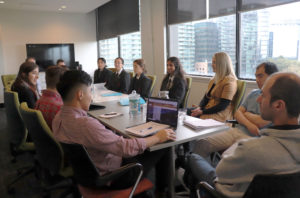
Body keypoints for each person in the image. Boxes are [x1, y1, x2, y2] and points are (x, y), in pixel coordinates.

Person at [53, 70, 176, 192]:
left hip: (85, 175)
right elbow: (125, 149)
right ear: (80, 94)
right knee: (164, 144)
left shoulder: (58, 118)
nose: (91, 96)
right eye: (90, 91)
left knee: (140, 141)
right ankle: (163, 191)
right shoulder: (85, 125)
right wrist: (158, 137)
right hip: (114, 176)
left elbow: (91, 138)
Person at [186, 72, 300, 198]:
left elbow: (221, 174)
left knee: (194, 158)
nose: (258, 99)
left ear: (278, 105)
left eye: (263, 95)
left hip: (226, 192)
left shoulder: (251, 149)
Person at [192, 62, 279, 158]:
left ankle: (213, 172)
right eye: (256, 76)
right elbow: (237, 113)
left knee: (227, 157)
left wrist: (245, 113)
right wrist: (249, 124)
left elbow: (260, 122)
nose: (257, 80)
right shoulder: (253, 93)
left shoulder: (278, 100)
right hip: (235, 131)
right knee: (202, 143)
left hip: (252, 138)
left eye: (260, 76)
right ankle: (198, 171)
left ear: (272, 77)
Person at [189, 52, 237, 122]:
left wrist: (202, 112)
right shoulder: (214, 79)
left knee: (192, 119)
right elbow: (206, 98)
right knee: (184, 113)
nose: (212, 65)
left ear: (221, 64)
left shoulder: (230, 82)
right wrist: (200, 108)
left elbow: (222, 106)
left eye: (214, 62)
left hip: (220, 114)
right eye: (212, 62)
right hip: (208, 109)